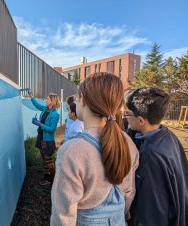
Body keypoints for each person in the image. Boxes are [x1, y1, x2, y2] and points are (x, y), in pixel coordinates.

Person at [51, 72, 139, 225]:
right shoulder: (127, 142)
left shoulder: (72, 151)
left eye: (78, 97)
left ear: (83, 99)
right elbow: (128, 192)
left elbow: (63, 216)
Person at [125, 87, 188, 226]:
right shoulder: (167, 134)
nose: (125, 117)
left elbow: (151, 211)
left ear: (141, 121)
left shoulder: (151, 155)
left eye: (127, 114)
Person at [29, 90, 60, 186]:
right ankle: (47, 177)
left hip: (47, 140)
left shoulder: (55, 114)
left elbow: (52, 129)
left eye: (47, 98)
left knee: (48, 160)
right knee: (44, 158)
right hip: (41, 137)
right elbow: (37, 105)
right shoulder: (45, 109)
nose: (45, 100)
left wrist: (40, 124)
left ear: (52, 101)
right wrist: (31, 96)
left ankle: (54, 179)